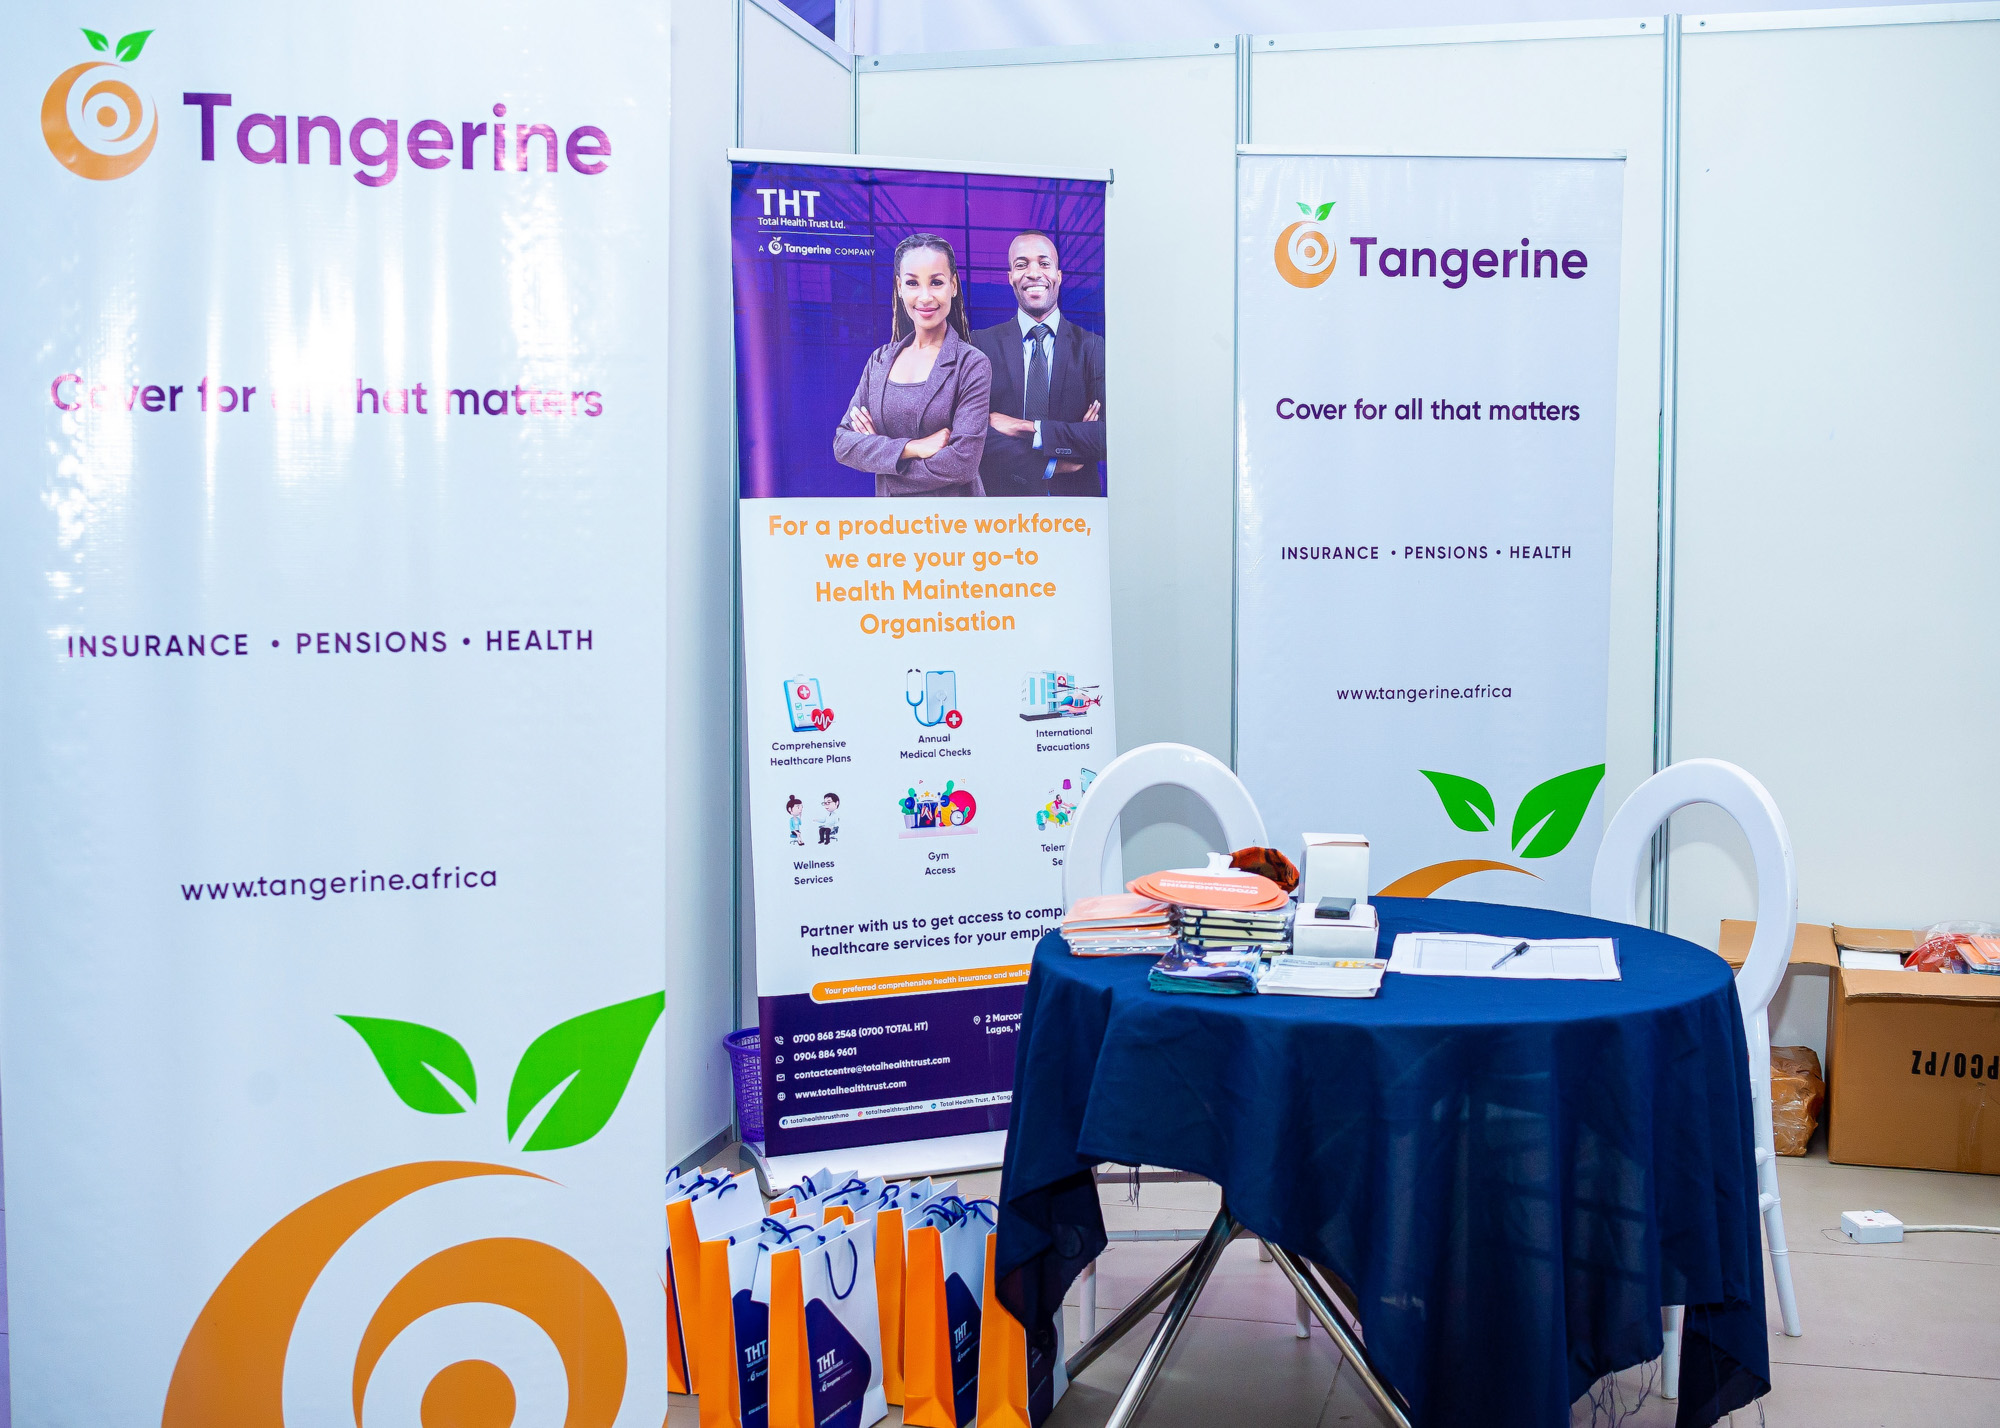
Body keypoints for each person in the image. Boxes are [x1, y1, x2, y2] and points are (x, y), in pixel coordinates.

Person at [834, 234, 992, 497]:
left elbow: (962, 464)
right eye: (912, 283)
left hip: (957, 527)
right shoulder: (880, 361)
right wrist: (913, 448)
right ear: (899, 287)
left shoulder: (972, 364)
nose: (925, 296)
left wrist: (884, 463)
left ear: (953, 285)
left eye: (936, 282)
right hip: (893, 526)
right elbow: (844, 444)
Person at [970, 230, 1106, 497]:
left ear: (1058, 275)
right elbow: (972, 435)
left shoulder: (1093, 347)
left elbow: (1107, 437)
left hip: (1078, 512)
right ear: (1010, 277)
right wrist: (1053, 462)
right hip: (1002, 508)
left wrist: (1026, 427)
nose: (1034, 273)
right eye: (1021, 265)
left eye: (1044, 263)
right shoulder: (980, 345)